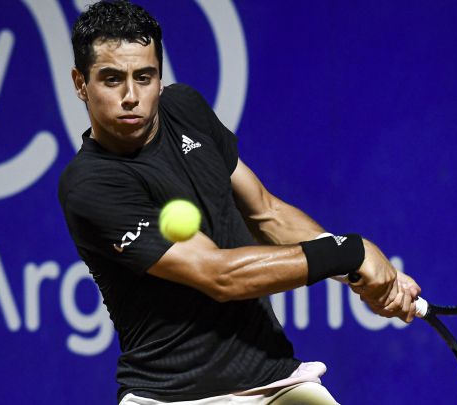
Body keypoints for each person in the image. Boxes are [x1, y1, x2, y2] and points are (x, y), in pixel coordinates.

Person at [58, 1, 421, 403]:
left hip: (274, 382)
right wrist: (348, 253)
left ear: (160, 77)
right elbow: (220, 276)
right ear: (80, 83)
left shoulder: (186, 107)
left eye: (144, 77)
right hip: (169, 397)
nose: (131, 96)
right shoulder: (89, 185)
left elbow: (266, 212)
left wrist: (359, 275)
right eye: (112, 79)